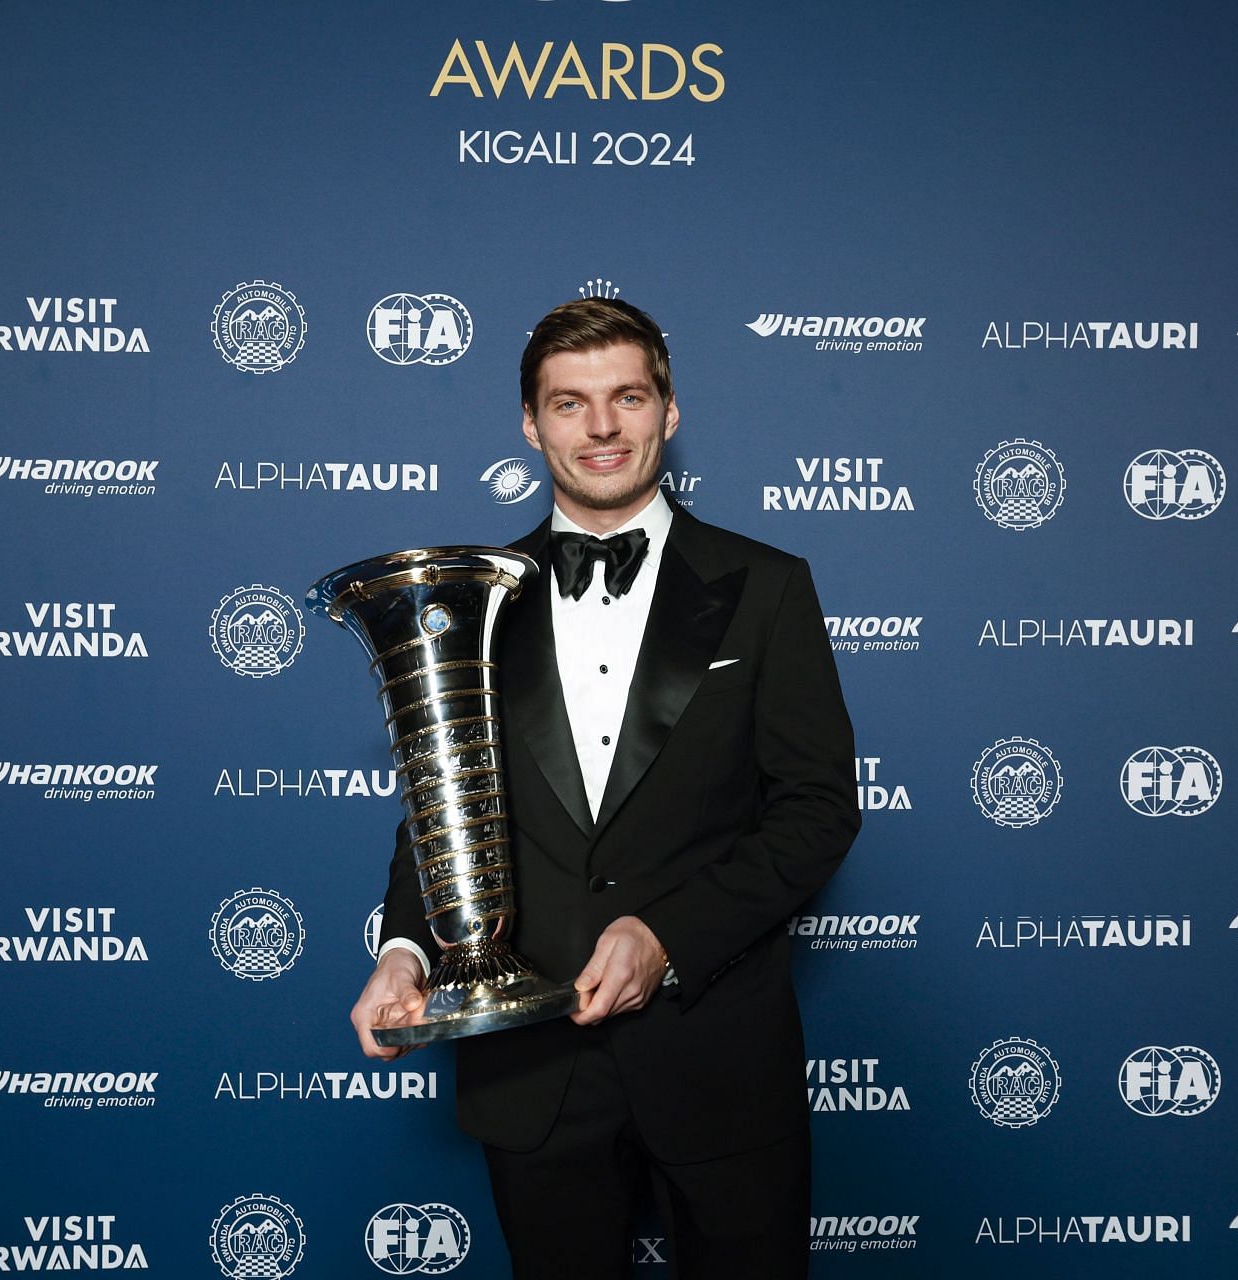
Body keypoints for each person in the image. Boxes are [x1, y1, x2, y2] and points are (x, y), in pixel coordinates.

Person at [351, 296, 859, 1278]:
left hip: (716, 1054)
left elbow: (818, 809)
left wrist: (667, 934)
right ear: (531, 424)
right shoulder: (467, 601)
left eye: (627, 396)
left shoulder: (767, 585)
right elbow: (442, 807)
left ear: (669, 411)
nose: (601, 426)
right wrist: (409, 950)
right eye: (570, 402)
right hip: (533, 1070)